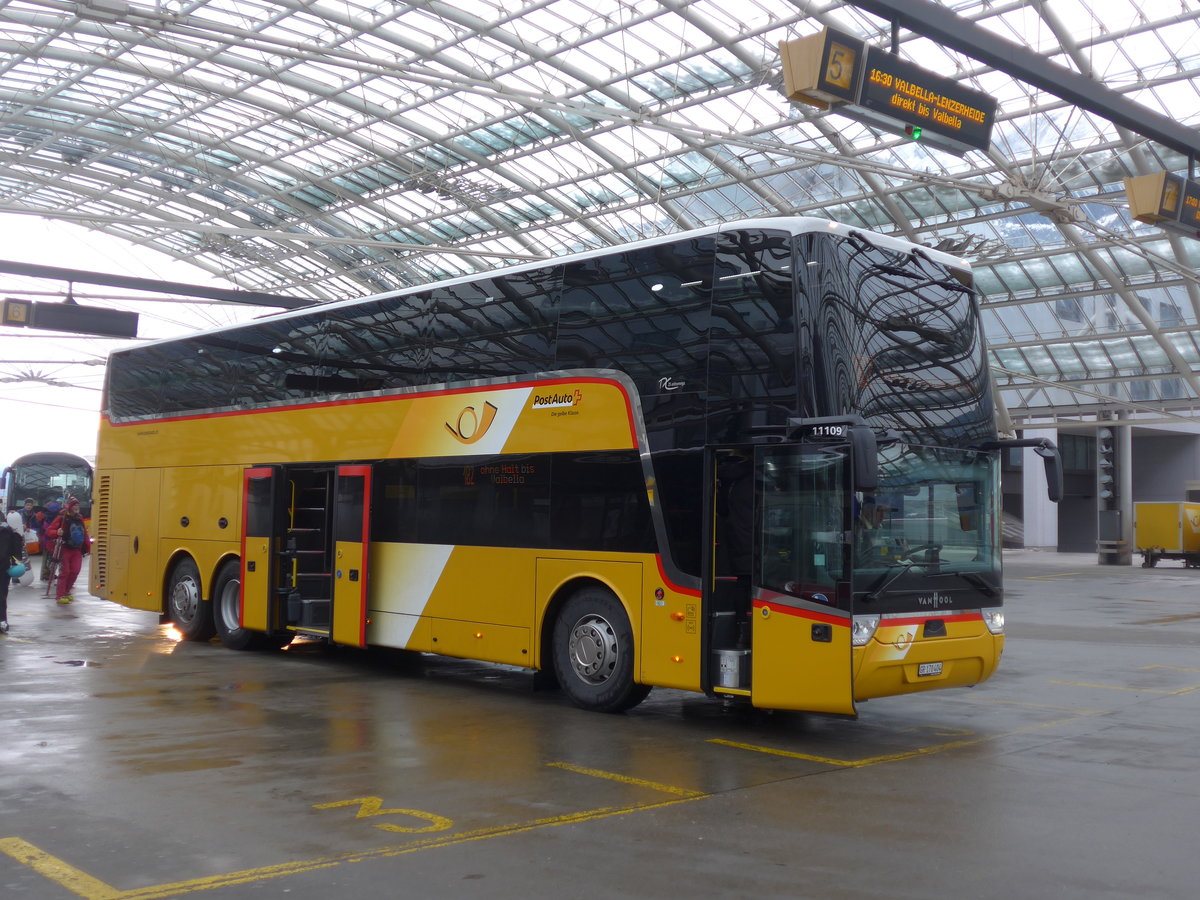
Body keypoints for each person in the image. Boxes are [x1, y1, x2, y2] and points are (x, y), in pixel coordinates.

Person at [44, 496, 90, 605]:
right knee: (65, 572)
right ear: (69, 506)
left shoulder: (79, 517)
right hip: (65, 548)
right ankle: (60, 595)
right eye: (74, 505)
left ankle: (66, 591)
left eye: (77, 505)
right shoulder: (62, 517)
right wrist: (57, 532)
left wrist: (88, 547)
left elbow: (84, 533)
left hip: (77, 549)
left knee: (75, 571)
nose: (76, 507)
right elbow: (49, 531)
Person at [1, 513, 24, 632]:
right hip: (4, 568)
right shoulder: (11, 533)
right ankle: (2, 621)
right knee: (2, 595)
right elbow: (17, 553)